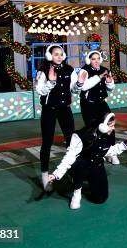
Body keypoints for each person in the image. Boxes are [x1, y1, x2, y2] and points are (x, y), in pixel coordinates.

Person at [47, 113, 127, 209]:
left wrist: (123, 145)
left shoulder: (107, 135)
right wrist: (56, 174)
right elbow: (69, 156)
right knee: (80, 164)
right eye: (111, 126)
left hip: (96, 164)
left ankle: (89, 181)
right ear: (102, 126)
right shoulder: (81, 136)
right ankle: (77, 190)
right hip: (82, 164)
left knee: (100, 199)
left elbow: (106, 151)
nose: (113, 128)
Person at [35, 44, 80, 192]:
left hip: (65, 110)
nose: (59, 56)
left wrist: (79, 84)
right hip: (49, 110)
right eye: (56, 54)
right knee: (47, 142)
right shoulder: (43, 70)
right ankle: (45, 174)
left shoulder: (69, 69)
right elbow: (39, 90)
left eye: (61, 54)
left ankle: (73, 172)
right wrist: (51, 83)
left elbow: (73, 89)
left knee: (72, 142)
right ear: (50, 56)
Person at [77, 50, 118, 164]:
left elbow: (111, 88)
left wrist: (110, 83)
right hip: (88, 104)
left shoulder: (105, 70)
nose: (96, 61)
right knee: (92, 129)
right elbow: (84, 87)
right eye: (93, 59)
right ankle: (95, 152)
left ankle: (111, 152)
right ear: (89, 60)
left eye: (97, 58)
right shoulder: (84, 70)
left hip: (101, 103)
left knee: (110, 125)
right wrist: (99, 77)